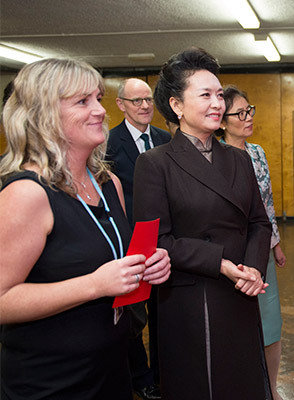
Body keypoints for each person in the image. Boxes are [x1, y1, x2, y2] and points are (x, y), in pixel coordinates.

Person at [0, 58, 171, 399]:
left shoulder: (108, 184)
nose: (100, 111)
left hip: (112, 368)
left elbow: (112, 260)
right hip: (51, 381)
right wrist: (93, 285)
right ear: (43, 115)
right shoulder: (27, 193)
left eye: (97, 98)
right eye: (82, 101)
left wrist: (147, 265)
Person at [133, 48, 273, 399]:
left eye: (220, 95)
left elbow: (259, 222)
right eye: (205, 95)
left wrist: (254, 268)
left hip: (241, 289)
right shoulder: (155, 163)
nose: (217, 104)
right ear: (177, 105)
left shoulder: (238, 159)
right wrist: (221, 263)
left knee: (243, 382)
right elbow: (157, 241)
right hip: (192, 296)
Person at [216, 85, 287, 400]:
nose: (248, 118)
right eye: (240, 113)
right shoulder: (214, 158)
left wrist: (275, 243)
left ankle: (270, 388)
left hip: (261, 250)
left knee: (271, 324)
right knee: (233, 326)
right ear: (222, 121)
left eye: (250, 111)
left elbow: (267, 205)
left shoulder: (258, 153)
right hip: (230, 255)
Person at [106, 77, 171, 400]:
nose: (145, 106)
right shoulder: (108, 143)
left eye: (148, 100)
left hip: (162, 241)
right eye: (137, 101)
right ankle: (140, 378)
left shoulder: (164, 138)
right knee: (132, 318)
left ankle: (161, 376)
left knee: (162, 313)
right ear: (121, 104)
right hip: (128, 244)